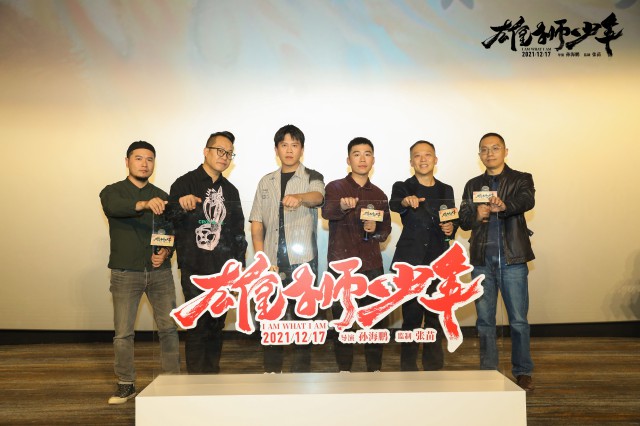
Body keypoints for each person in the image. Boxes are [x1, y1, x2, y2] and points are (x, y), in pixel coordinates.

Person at [99, 141, 180, 404]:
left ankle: (172, 381)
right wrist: (144, 204)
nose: (144, 164)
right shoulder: (112, 192)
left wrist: (165, 252)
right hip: (125, 273)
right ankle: (126, 384)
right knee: (123, 333)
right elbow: (114, 208)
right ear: (127, 161)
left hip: (160, 273)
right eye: (138, 158)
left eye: (149, 159)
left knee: (168, 329)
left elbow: (170, 232)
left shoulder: (162, 195)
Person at [458, 132, 536, 392]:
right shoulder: (472, 184)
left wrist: (504, 205)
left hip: (512, 259)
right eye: (484, 149)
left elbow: (526, 200)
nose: (489, 153)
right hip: (481, 261)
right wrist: (476, 214)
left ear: (505, 151)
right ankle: (488, 371)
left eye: (495, 148)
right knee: (484, 321)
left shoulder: (521, 178)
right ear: (479, 154)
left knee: (518, 321)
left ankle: (522, 371)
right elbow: (463, 220)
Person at [168, 131, 247, 374]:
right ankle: (196, 382)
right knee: (197, 325)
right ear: (206, 151)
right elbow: (168, 219)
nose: (225, 157)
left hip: (223, 271)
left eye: (229, 153)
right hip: (195, 267)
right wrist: (181, 206)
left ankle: (212, 376)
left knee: (216, 324)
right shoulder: (184, 183)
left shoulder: (230, 191)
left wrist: (239, 269)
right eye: (220, 151)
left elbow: (238, 232)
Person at [249, 124, 325, 373]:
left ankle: (301, 374)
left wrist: (300, 198)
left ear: (302, 149)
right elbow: (257, 222)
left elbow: (318, 197)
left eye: (294, 145)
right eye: (284, 145)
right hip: (271, 263)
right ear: (276, 149)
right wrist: (261, 258)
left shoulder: (312, 176)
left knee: (304, 320)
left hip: (303, 263)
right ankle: (272, 372)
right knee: (271, 320)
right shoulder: (265, 181)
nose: (289, 150)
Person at [322, 137, 391, 372]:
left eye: (367, 154)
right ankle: (344, 370)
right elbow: (327, 212)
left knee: (375, 320)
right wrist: (342, 207)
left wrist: (376, 230)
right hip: (342, 268)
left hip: (372, 266)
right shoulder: (335, 187)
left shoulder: (379, 194)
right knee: (343, 321)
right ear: (348, 159)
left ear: (373, 159)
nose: (362, 159)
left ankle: (375, 370)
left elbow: (386, 230)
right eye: (357, 154)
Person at [389, 140, 457, 371]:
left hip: (438, 262)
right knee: (411, 318)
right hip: (411, 264)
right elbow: (395, 203)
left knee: (435, 317)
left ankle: (433, 368)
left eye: (427, 155)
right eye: (417, 156)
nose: (423, 159)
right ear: (411, 162)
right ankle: (408, 368)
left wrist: (451, 228)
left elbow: (451, 219)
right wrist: (406, 201)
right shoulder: (403, 186)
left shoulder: (446, 189)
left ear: (435, 159)